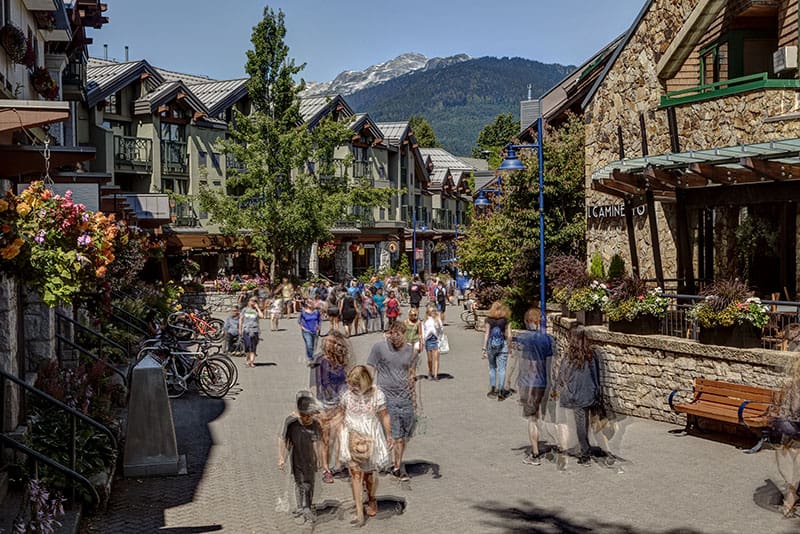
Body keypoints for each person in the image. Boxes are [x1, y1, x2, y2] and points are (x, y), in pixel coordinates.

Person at [338, 366, 392, 526]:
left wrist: (389, 435)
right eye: (350, 384)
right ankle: (359, 512)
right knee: (355, 473)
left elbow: (384, 415)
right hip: (352, 435)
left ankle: (371, 498)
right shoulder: (347, 395)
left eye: (355, 384)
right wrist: (340, 434)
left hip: (370, 436)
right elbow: (341, 414)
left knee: (368, 475)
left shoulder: (377, 395)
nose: (351, 387)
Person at [367, 321, 417, 483]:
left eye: (398, 334)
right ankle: (397, 467)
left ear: (404, 334)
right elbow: (371, 370)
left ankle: (395, 460)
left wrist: (414, 397)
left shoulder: (411, 351)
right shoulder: (379, 348)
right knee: (395, 434)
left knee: (404, 434)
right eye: (392, 333)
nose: (394, 337)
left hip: (405, 397)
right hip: (385, 397)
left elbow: (411, 374)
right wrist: (368, 392)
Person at [556, 326, 601, 466]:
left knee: (581, 424)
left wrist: (556, 388)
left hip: (576, 394)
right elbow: (596, 374)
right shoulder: (591, 354)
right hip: (589, 393)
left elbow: (562, 374)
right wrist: (597, 390)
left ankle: (585, 453)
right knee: (585, 422)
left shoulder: (570, 355)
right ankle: (585, 445)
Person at [310, 331, 351, 484]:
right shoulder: (319, 360)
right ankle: (326, 469)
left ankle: (339, 465)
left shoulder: (342, 361)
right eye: (329, 342)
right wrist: (315, 405)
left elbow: (346, 381)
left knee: (342, 436)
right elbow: (314, 383)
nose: (331, 345)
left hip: (340, 404)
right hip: (324, 404)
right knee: (325, 438)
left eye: (334, 342)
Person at [515, 307, 555, 465]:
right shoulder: (547, 340)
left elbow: (521, 362)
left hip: (528, 383)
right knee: (539, 415)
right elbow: (550, 364)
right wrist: (552, 384)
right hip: (542, 382)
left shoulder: (525, 339)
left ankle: (535, 452)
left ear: (527, 321)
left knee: (532, 419)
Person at [278, 391, 323, 524]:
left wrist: (319, 458)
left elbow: (317, 442)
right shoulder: (291, 422)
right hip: (296, 458)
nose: (307, 418)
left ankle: (307, 506)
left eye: (310, 415)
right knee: (299, 482)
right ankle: (300, 507)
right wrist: (281, 457)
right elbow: (285, 440)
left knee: (309, 483)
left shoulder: (315, 424)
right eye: (305, 415)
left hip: (310, 459)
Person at [482, 301, 512, 400]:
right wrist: (510, 348)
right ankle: (501, 390)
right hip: (503, 345)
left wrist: (484, 348)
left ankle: (493, 389)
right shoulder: (506, 320)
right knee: (502, 369)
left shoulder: (488, 320)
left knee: (492, 367)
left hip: (491, 345)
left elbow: (486, 334)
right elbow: (509, 336)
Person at [239, 296, 265, 368]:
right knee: (247, 346)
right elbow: (241, 319)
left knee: (253, 346)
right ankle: (247, 360)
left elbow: (262, 316)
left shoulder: (256, 310)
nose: (253, 302)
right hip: (246, 330)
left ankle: (252, 362)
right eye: (252, 300)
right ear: (249, 301)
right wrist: (240, 329)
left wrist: (257, 308)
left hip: (254, 330)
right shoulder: (245, 310)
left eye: (255, 301)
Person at [421, 305, 443, 380]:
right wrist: (423, 340)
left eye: (433, 311)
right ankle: (430, 371)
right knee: (430, 359)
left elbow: (441, 330)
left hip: (435, 339)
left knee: (436, 358)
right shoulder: (425, 320)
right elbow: (423, 331)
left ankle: (436, 375)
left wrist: (440, 338)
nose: (432, 312)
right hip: (428, 340)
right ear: (428, 312)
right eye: (430, 311)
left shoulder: (437, 319)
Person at [298, 299, 322, 364]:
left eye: (312, 302)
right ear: (307, 304)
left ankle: (310, 356)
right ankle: (310, 359)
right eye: (309, 302)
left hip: (315, 331)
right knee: (309, 345)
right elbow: (300, 321)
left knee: (313, 345)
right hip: (306, 331)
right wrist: (302, 328)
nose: (311, 304)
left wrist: (319, 327)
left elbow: (319, 320)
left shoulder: (316, 312)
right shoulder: (303, 312)